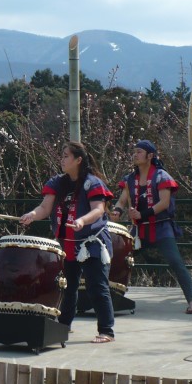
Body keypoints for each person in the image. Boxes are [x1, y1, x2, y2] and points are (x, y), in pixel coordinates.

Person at [20, 141, 116, 343]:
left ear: (78, 160)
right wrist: (31, 215)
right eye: (62, 155)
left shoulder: (93, 183)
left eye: (66, 156)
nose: (61, 159)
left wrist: (82, 220)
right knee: (67, 287)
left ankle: (106, 330)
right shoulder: (57, 182)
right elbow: (45, 208)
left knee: (96, 286)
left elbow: (98, 210)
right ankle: (64, 326)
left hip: (91, 242)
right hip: (67, 243)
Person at [111, 139, 192, 315]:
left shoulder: (161, 176)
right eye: (134, 151)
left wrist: (142, 214)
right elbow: (122, 199)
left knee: (175, 262)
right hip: (139, 229)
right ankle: (109, 297)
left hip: (161, 227)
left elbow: (165, 203)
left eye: (139, 152)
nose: (135, 155)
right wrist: (117, 210)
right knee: (118, 258)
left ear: (150, 156)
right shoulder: (130, 179)